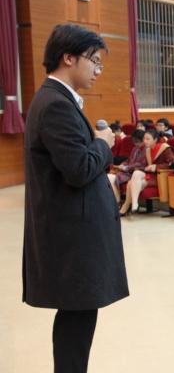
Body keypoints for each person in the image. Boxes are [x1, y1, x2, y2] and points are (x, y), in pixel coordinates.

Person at [23, 23, 128, 373]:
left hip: (71, 230)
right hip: (72, 235)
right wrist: (102, 143)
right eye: (93, 60)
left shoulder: (57, 100)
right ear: (68, 57)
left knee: (77, 317)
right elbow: (80, 169)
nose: (98, 70)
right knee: (76, 320)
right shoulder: (56, 104)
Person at [119, 129, 174, 215]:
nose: (145, 141)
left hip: (160, 176)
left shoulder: (164, 148)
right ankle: (134, 203)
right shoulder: (148, 150)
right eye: (144, 139)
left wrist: (156, 167)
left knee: (130, 183)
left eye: (148, 139)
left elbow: (171, 164)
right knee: (136, 173)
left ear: (155, 139)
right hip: (150, 175)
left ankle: (127, 205)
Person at [107, 129, 147, 203]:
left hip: (136, 172)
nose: (136, 144)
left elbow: (142, 164)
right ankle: (117, 200)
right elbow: (128, 160)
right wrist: (122, 165)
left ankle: (118, 201)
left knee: (114, 177)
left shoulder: (146, 149)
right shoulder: (135, 148)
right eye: (134, 142)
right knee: (110, 177)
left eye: (137, 142)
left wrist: (127, 167)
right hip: (128, 170)